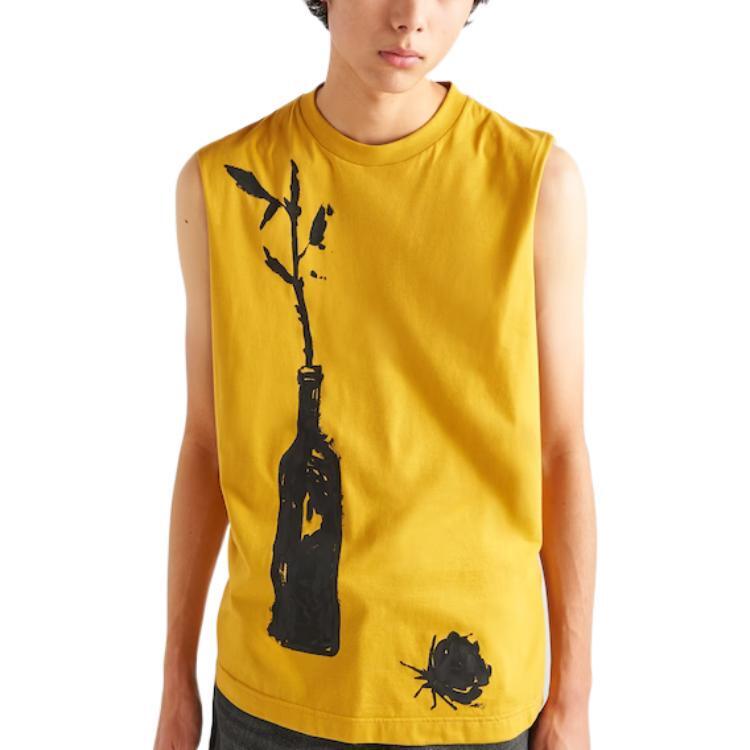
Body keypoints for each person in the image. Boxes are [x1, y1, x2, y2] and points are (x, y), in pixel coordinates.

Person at [153, 1, 596, 748]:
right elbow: (207, 444)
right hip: (274, 699)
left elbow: (559, 452)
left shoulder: (536, 184)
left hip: (472, 701)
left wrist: (572, 701)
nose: (412, 17)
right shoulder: (222, 184)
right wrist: (174, 684)